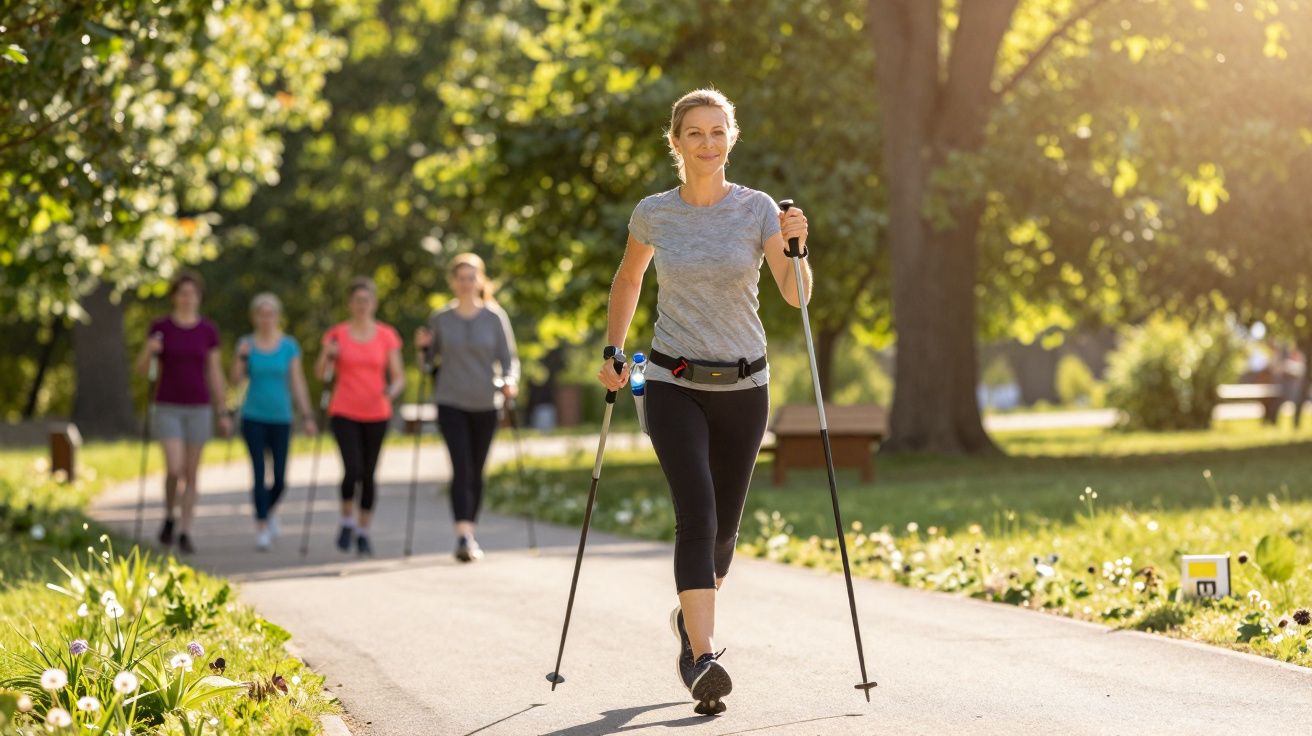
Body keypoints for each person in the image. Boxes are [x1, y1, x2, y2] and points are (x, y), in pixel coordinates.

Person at [595, 88, 811, 714]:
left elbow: (795, 296)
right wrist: (615, 349)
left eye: (718, 132)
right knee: (698, 512)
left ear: (731, 137)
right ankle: (706, 654)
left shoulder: (758, 210)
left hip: (745, 386)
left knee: (724, 537)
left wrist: (798, 247)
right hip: (673, 381)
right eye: (696, 133)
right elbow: (630, 277)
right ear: (676, 142)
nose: (708, 143)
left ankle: (690, 634)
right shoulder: (654, 213)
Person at [415, 253, 520, 563]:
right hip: (451, 401)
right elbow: (426, 366)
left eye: (471, 277)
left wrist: (511, 380)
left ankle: (470, 530)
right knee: (461, 467)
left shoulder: (494, 317)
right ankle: (464, 535)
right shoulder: (441, 318)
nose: (466, 283)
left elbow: (509, 358)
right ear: (453, 282)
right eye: (460, 277)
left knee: (476, 469)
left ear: (481, 280)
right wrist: (421, 348)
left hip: (487, 402)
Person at [134, 270, 233, 554]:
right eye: (182, 293)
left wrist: (223, 409)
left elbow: (214, 371)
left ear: (198, 297)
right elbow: (143, 370)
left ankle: (186, 529)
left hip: (199, 406)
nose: (188, 299)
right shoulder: (161, 328)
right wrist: (149, 350)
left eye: (192, 294)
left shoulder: (207, 331)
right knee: (174, 469)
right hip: (167, 405)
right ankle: (168, 514)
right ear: (175, 297)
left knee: (192, 473)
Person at [317, 277, 405, 556]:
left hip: (377, 411)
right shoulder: (337, 335)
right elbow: (321, 375)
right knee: (352, 468)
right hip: (344, 409)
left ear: (374, 303)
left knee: (369, 473)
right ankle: (346, 521)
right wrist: (328, 355)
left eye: (366, 300)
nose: (361, 306)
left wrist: (391, 390)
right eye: (357, 301)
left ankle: (364, 531)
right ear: (350, 304)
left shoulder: (386, 335)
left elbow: (398, 376)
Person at [229, 293, 316, 551]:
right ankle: (262, 527)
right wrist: (241, 358)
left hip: (281, 417)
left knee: (280, 478)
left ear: (277, 317)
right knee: (258, 473)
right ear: (255, 317)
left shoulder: (289, 346)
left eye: (271, 314)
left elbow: (297, 382)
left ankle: (268, 509)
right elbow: (234, 381)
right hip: (253, 416)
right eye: (261, 314)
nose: (266, 319)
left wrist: (307, 415)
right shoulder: (246, 344)